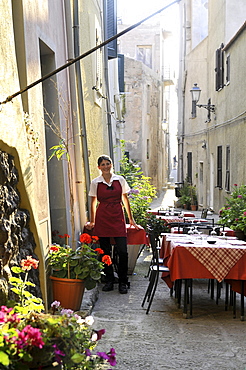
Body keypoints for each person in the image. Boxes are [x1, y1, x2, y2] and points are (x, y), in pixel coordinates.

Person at [87, 155, 139, 294]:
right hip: (103, 217)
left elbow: (125, 200)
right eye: (103, 164)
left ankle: (123, 281)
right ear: (99, 167)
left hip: (118, 217)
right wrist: (93, 221)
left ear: (111, 165)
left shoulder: (120, 180)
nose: (105, 166)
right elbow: (93, 203)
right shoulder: (95, 182)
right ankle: (109, 280)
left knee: (123, 251)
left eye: (107, 163)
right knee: (105, 251)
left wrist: (131, 220)